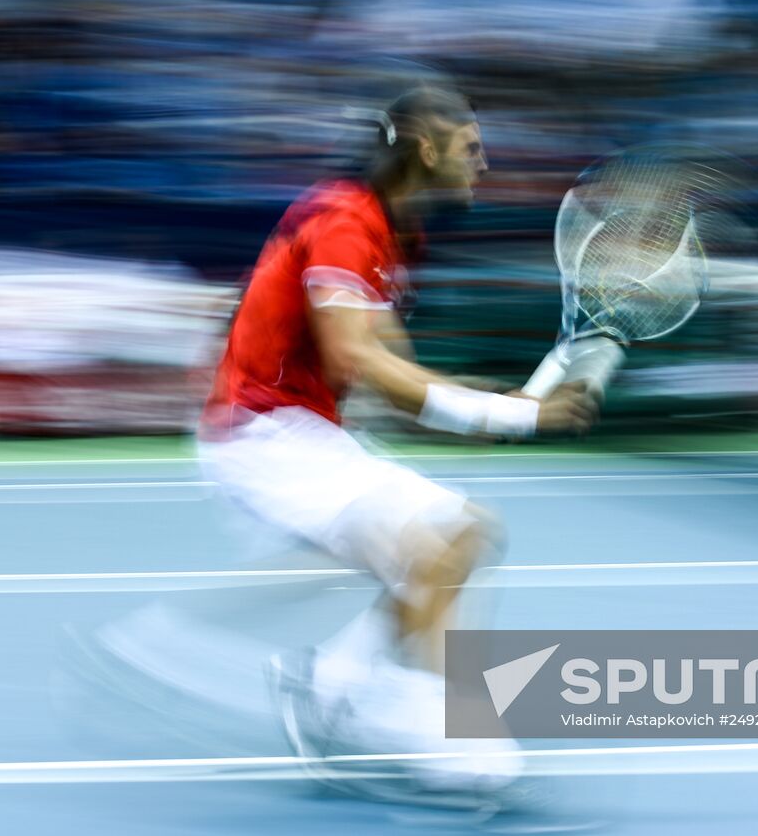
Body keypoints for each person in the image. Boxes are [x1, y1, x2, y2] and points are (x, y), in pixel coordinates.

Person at [192, 86, 599, 797]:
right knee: (427, 545)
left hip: (303, 434)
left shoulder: (387, 230)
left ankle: (331, 683)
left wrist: (496, 408)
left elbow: (398, 388)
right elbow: (363, 361)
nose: (485, 161)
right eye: (471, 147)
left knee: (464, 531)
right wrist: (517, 419)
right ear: (425, 147)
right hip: (261, 435)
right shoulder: (345, 220)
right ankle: (419, 722)